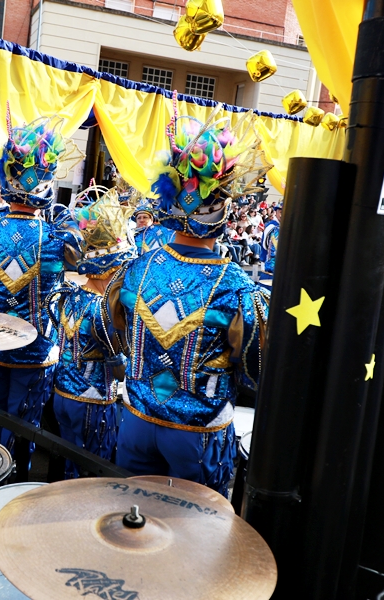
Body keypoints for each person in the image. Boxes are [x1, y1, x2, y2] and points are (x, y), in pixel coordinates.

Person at [103, 110, 270, 497]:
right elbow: (253, 369)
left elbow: (117, 334)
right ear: (223, 210)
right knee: (191, 541)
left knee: (132, 526)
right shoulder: (235, 285)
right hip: (196, 434)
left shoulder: (135, 269)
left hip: (137, 421)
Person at [0, 113, 80, 461]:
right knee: (23, 427)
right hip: (36, 348)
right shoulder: (58, 239)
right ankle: (13, 484)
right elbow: (80, 253)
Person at [46, 187, 134, 479]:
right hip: (93, 403)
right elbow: (120, 369)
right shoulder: (103, 310)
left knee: (68, 466)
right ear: (112, 269)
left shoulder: (68, 295)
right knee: (91, 476)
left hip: (61, 396)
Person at [262, 203, 281, 274]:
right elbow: (265, 245)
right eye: (281, 212)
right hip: (270, 265)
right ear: (276, 212)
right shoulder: (272, 226)